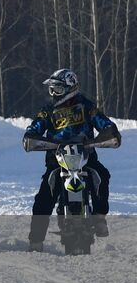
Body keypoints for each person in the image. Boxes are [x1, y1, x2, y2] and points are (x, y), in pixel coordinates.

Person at [23, 68, 120, 251]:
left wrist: (108, 132)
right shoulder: (48, 110)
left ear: (71, 88)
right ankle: (36, 241)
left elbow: (104, 123)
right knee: (44, 196)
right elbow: (35, 126)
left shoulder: (86, 106)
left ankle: (100, 217)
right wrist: (31, 136)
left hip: (85, 156)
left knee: (102, 175)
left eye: (57, 89)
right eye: (51, 89)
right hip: (57, 159)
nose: (53, 94)